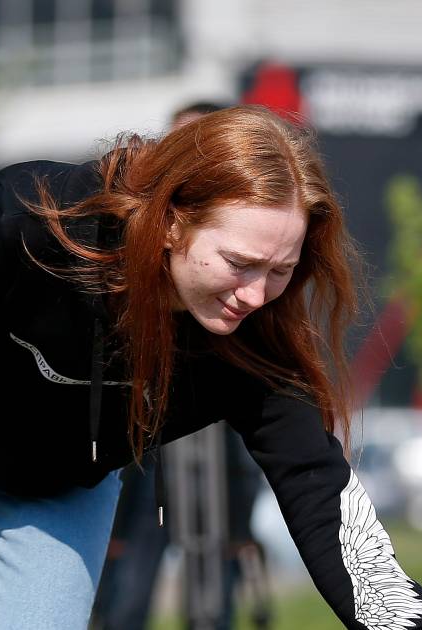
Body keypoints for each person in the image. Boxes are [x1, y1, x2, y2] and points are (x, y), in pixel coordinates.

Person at [0, 105, 422, 630]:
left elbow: (321, 496)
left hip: (56, 484)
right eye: (239, 264)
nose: (257, 294)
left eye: (281, 269)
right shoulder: (36, 223)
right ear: (175, 222)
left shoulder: (253, 337)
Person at [90, 100, 268, 630]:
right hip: (141, 460)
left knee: (213, 602)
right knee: (125, 596)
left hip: (218, 463)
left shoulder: (255, 266)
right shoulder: (119, 243)